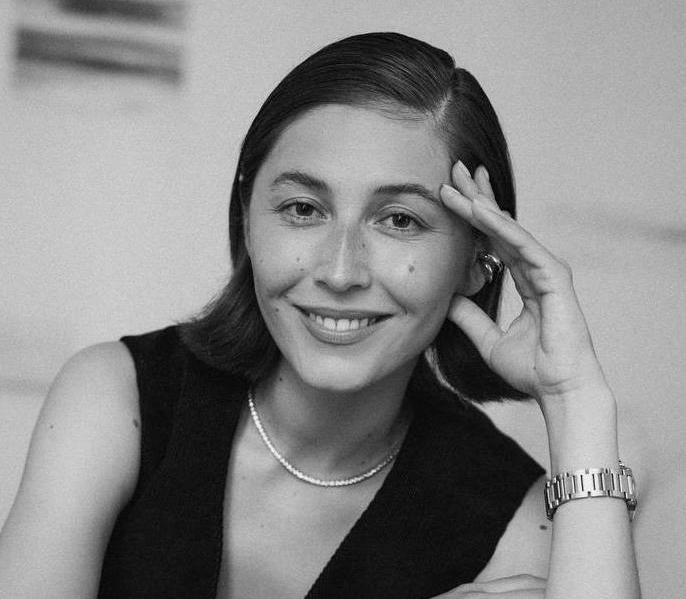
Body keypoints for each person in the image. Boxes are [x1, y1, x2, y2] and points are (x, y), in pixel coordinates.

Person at [0, 33, 640, 598]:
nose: (340, 271)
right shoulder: (117, 397)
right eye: (304, 209)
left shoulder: (509, 517)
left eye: (399, 220)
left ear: (479, 258)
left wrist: (575, 399)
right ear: (248, 216)